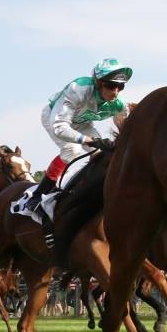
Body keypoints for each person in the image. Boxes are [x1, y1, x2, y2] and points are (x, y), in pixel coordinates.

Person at [27, 59, 133, 245]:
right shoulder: (79, 88)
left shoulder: (118, 104)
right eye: (111, 86)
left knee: (101, 159)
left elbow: (123, 127)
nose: (115, 91)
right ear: (99, 83)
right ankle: (42, 201)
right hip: (55, 119)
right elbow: (59, 126)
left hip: (82, 124)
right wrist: (90, 140)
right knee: (73, 153)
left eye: (120, 87)